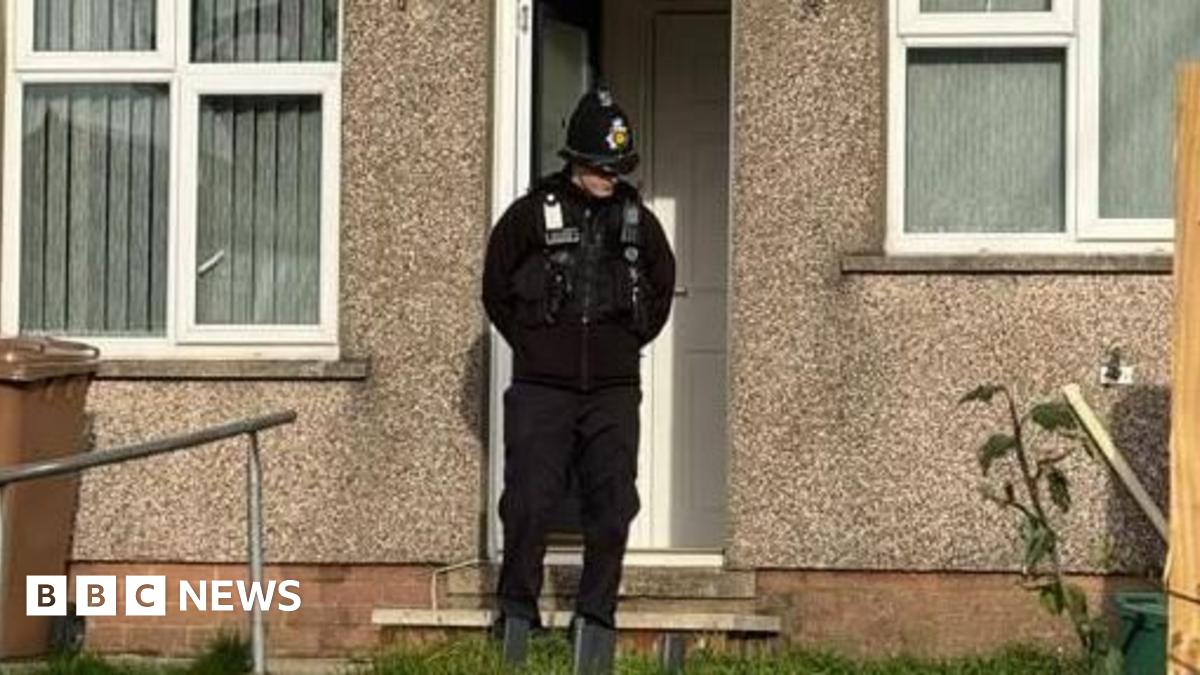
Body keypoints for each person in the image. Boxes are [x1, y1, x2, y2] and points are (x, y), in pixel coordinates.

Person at [481, 86, 676, 644]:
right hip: (541, 389)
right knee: (528, 503)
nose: (609, 178)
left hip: (613, 391)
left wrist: (625, 344)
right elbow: (495, 289)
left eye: (618, 168)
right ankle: (518, 615)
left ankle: (594, 619)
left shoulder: (638, 222)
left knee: (612, 504)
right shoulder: (529, 216)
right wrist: (536, 347)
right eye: (600, 167)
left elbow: (661, 290)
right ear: (575, 161)